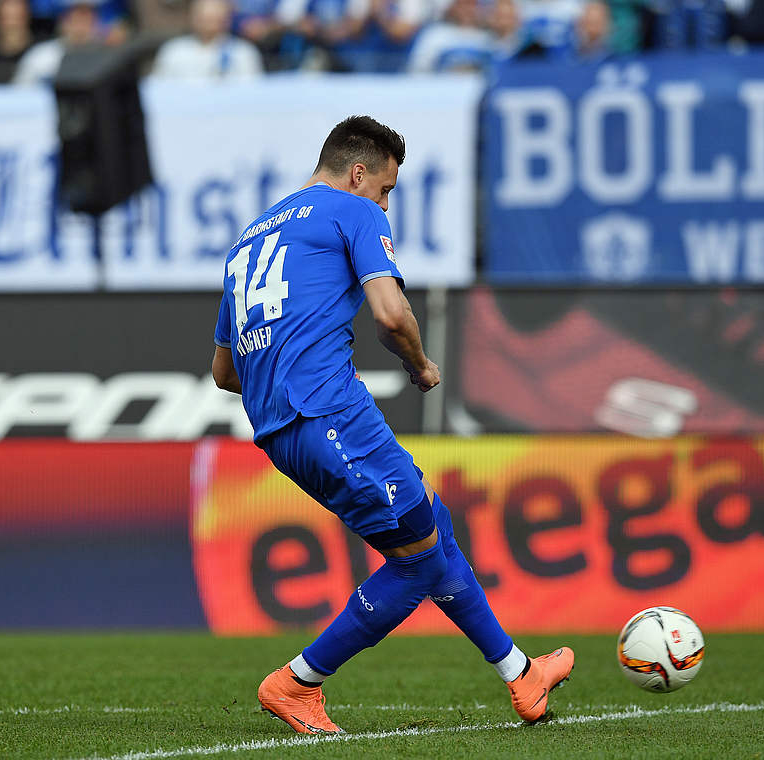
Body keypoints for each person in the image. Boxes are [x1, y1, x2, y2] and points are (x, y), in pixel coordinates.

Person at [209, 116, 573, 734]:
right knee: (418, 562)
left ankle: (521, 674)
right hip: (329, 412)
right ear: (358, 174)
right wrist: (422, 365)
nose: (385, 203)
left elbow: (224, 371)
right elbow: (390, 314)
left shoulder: (250, 240)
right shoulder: (352, 212)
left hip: (280, 430)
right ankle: (298, 682)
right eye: (386, 190)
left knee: (429, 523)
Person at [150, 0, 264, 80]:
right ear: (192, 18)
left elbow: (252, 93)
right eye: (204, 19)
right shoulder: (173, 51)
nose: (208, 25)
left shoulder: (243, 52)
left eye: (214, 19)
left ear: (227, 20)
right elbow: (158, 89)